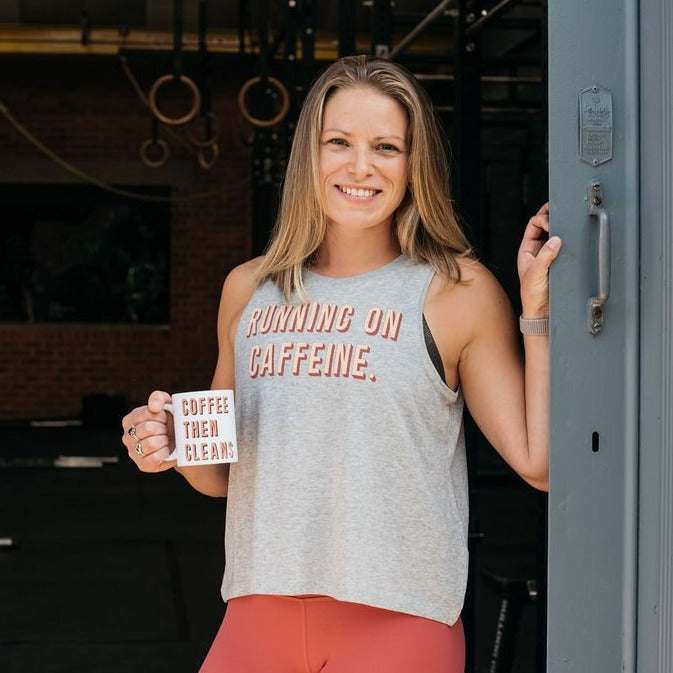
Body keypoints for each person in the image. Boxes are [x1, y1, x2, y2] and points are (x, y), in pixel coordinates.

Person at [121, 54, 561, 673]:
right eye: (339, 142)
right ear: (311, 154)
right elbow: (218, 474)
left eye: (386, 146)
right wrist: (169, 442)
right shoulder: (249, 289)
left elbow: (539, 465)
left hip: (400, 626)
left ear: (415, 163)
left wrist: (537, 317)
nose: (360, 166)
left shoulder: (456, 291)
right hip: (256, 615)